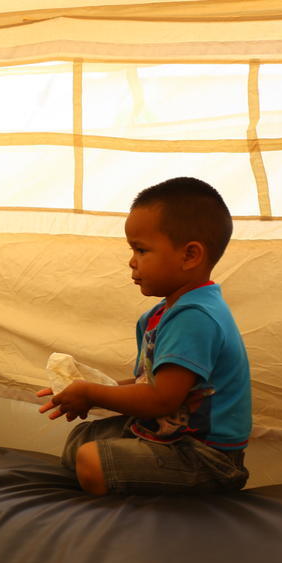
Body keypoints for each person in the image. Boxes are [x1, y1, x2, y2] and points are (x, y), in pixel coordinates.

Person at [37, 177, 251, 495]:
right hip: (168, 433)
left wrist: (93, 394)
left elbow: (162, 399)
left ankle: (135, 518)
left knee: (92, 460)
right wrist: (88, 388)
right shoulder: (159, 315)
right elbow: (149, 385)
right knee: (81, 439)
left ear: (190, 255)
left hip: (206, 458)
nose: (131, 261)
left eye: (141, 249)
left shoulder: (195, 316)